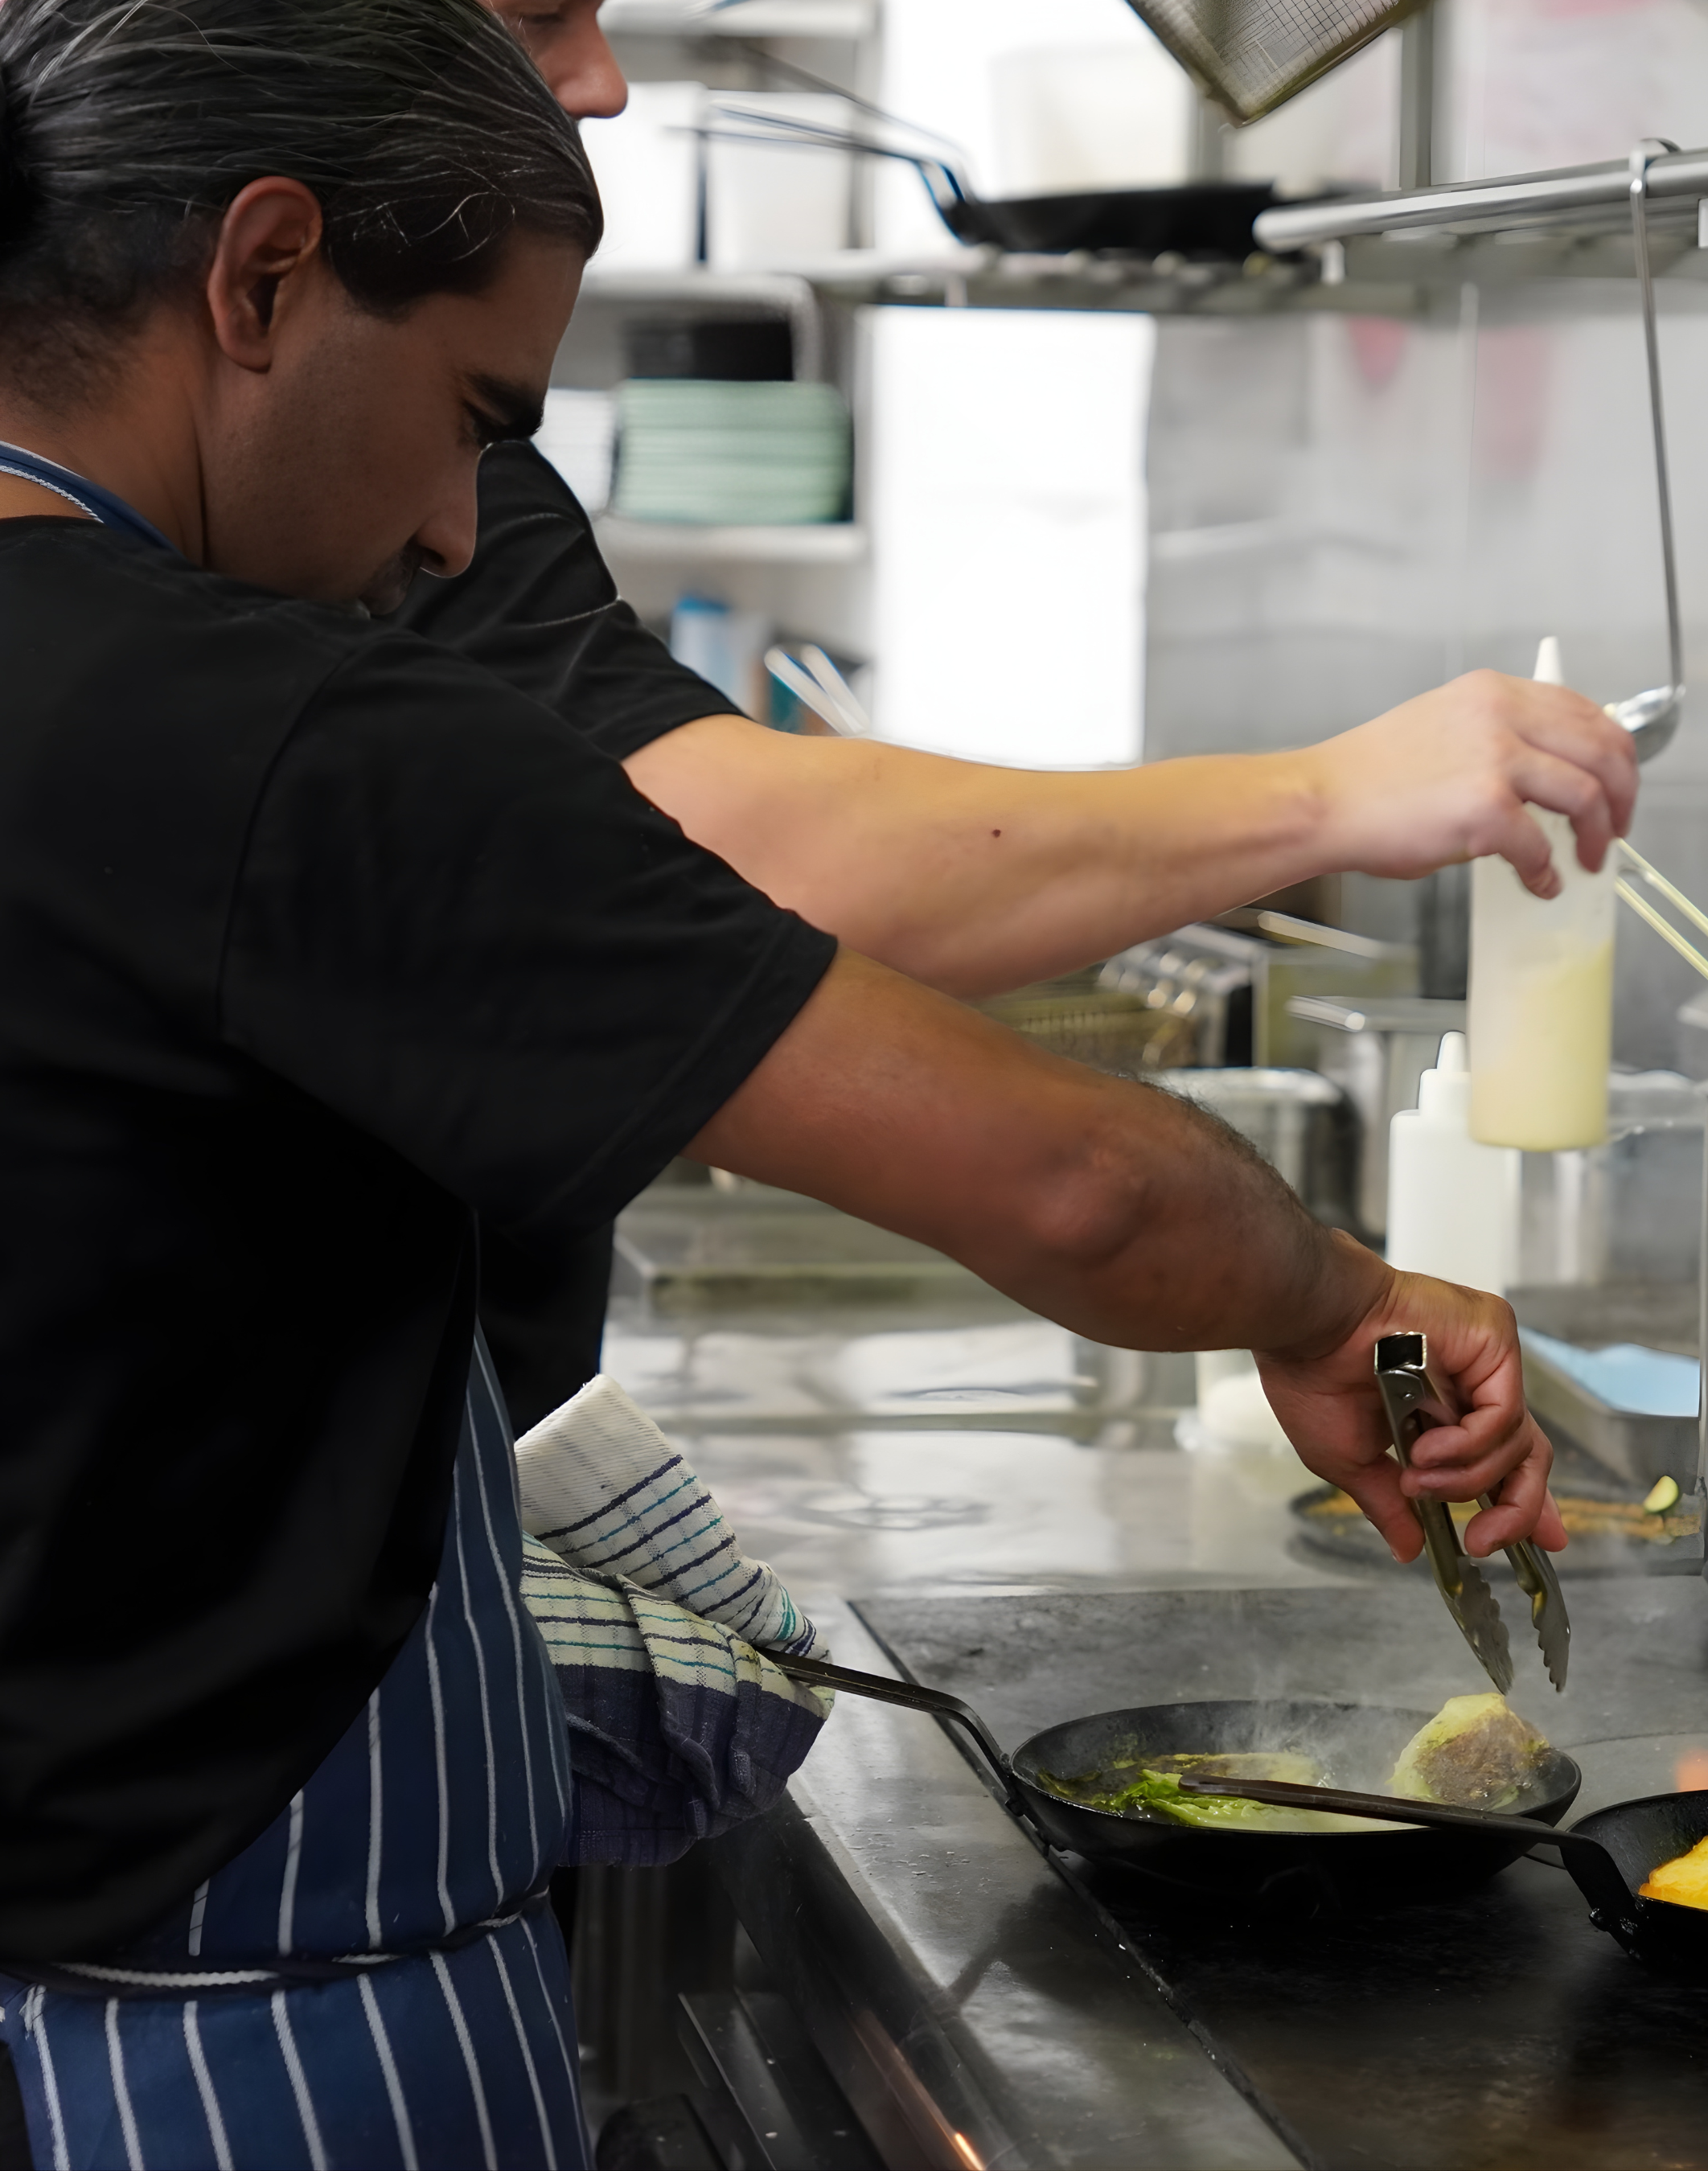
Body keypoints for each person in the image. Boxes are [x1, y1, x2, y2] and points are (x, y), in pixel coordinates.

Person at [0, 0, 1562, 2161]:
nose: (454, 536)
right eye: (474, 420)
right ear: (262, 274)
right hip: (223, 2049)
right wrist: (1341, 1301)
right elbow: (1078, 1189)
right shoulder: (285, 736)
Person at [393, 0, 1641, 1431]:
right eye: (543, 15)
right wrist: (1331, 797)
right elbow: (709, 866)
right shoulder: (390, 478)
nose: (604, 82)